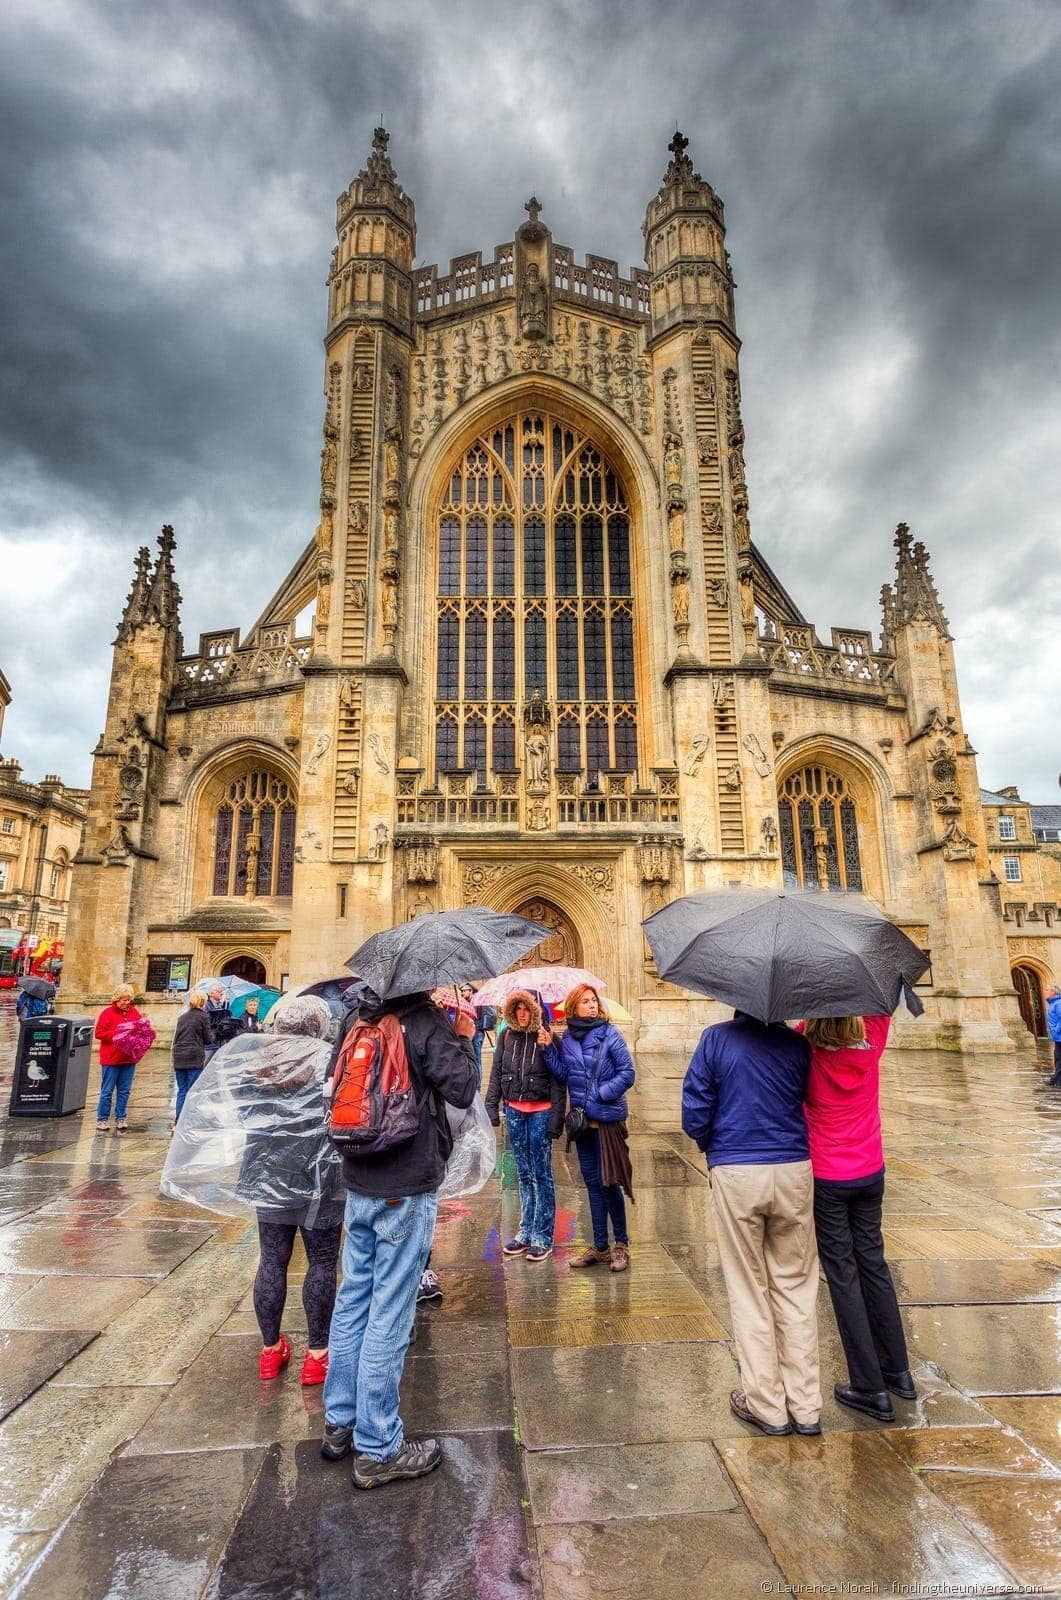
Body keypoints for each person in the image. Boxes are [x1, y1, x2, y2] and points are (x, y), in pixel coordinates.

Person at [321, 989, 478, 1488]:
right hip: (405, 1184)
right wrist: (465, 1039)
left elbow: (335, 1085)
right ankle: (379, 1445)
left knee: (353, 1300)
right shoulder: (423, 1019)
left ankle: (339, 1423)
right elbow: (464, 1089)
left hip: (359, 1176)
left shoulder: (355, 1016)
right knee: (391, 1309)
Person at [681, 1011, 821, 1437]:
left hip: (738, 1168)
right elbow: (807, 1100)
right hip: (793, 1167)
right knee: (796, 1288)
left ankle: (768, 1407)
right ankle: (806, 1407)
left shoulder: (716, 1040)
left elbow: (694, 1112)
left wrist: (716, 1145)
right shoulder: (798, 1045)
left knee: (749, 1288)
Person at [803, 1014, 914, 1421]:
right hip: (871, 1172)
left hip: (829, 1177)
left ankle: (869, 1387)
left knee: (844, 1277)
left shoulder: (808, 1050)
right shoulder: (875, 1039)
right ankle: (898, 1373)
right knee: (874, 1266)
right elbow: (882, 1008)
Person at [238, 996, 344, 1385]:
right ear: (318, 1026)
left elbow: (244, 1112)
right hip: (319, 1175)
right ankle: (317, 1354)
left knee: (272, 1260)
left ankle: (270, 1350)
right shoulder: (330, 1061)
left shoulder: (256, 1061)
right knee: (321, 1262)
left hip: (268, 1172)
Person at [543, 984, 635, 1272]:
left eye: (593, 1001)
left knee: (610, 1183)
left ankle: (621, 1245)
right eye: (585, 1001)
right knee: (593, 1185)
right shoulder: (568, 1037)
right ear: (573, 1007)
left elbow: (627, 1072)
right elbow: (564, 1074)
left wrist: (602, 1093)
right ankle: (600, 1246)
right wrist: (547, 1049)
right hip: (582, 1124)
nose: (592, 1005)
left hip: (607, 1119)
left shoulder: (610, 1035)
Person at [485, 989, 564, 1262]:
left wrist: (549, 1047)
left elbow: (559, 1080)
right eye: (517, 1009)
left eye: (526, 1009)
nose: (521, 1014)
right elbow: (496, 1074)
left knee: (542, 1173)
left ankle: (543, 1234)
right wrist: (491, 1107)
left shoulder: (548, 1037)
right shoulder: (507, 1037)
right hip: (514, 1111)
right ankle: (526, 1232)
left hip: (541, 1113)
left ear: (536, 1011)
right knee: (523, 1172)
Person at [93, 983, 144, 1133]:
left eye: (128, 1000)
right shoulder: (107, 1013)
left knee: (124, 1090)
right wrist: (118, 1034)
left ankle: (121, 1117)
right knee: (107, 1090)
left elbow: (141, 1030)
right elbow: (99, 1033)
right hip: (111, 1058)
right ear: (116, 999)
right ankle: (102, 1119)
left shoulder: (134, 1013)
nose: (125, 1003)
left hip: (128, 1058)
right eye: (122, 1000)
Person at [171, 990, 213, 1122]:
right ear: (202, 1002)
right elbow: (208, 1039)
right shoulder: (203, 1016)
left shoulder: (182, 1017)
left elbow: (177, 1037)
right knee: (192, 1089)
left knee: (182, 1089)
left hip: (179, 1056)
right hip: (194, 1056)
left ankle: (178, 1119)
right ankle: (188, 1120)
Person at [460, 982, 496, 1086]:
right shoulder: (470, 1001)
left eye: (463, 991)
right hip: (473, 1033)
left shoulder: (478, 1000)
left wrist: (481, 1025)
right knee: (473, 1058)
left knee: (476, 1059)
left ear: (470, 991)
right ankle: (474, 1084)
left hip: (477, 1033)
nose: (462, 993)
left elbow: (492, 1014)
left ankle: (478, 1086)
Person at [1041, 984, 1061, 1088]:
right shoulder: (1054, 1003)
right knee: (1058, 1058)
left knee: (1059, 1058)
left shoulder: (1058, 1003)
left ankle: (1056, 1079)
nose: (1044, 991)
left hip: (1060, 1036)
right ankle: (1056, 1079)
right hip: (1058, 1038)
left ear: (1053, 992)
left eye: (1046, 989)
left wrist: (1056, 1031)